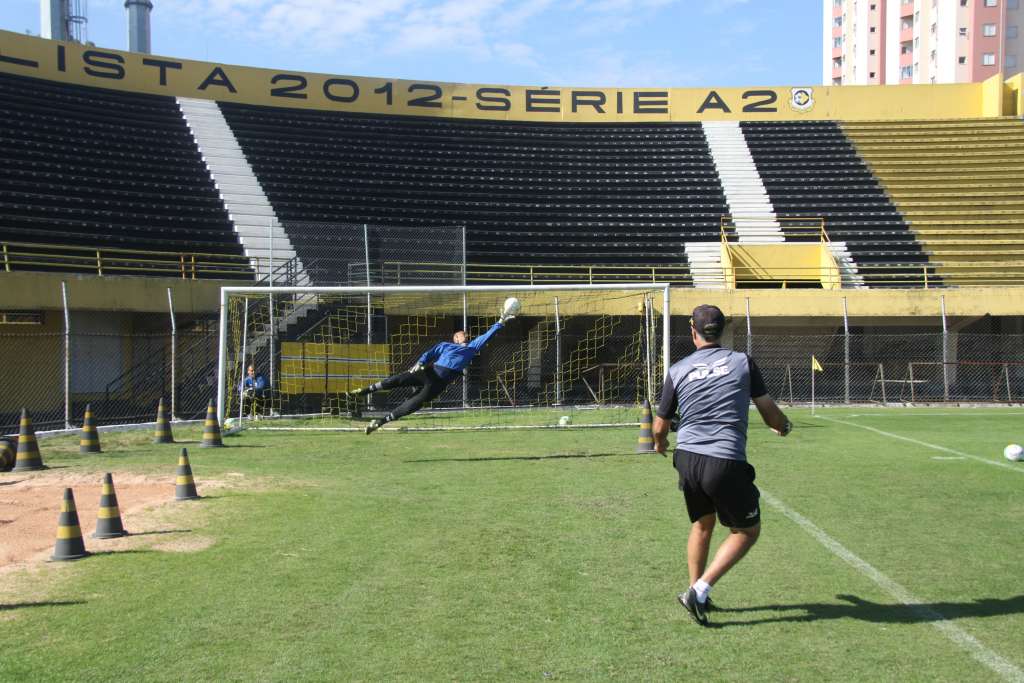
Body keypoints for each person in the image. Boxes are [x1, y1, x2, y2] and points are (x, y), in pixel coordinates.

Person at [652, 304, 792, 627]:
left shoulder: (678, 369)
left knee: (702, 524)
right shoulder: (742, 362)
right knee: (747, 531)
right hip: (724, 458)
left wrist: (660, 444)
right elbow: (770, 413)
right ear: (723, 330)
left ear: (693, 331)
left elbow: (660, 427)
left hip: (687, 458)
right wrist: (784, 427)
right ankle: (699, 590)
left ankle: (696, 593)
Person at [350, 309, 515, 434]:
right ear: (455, 339)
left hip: (438, 384)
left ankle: (378, 423)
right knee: (398, 380)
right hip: (429, 372)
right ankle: (363, 391)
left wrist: (500, 321)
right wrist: (420, 362)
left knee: (412, 405)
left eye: (466, 334)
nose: (464, 335)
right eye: (460, 334)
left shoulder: (472, 348)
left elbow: (487, 335)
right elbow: (429, 354)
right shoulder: (445, 345)